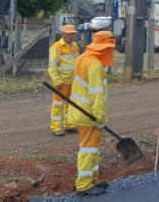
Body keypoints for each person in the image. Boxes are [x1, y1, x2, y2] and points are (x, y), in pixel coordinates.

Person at [67, 30, 115, 197]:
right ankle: (84, 185)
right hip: (90, 116)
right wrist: (100, 117)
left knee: (93, 149)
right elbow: (96, 94)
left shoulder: (82, 58)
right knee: (88, 150)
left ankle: (93, 180)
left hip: (82, 112)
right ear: (103, 48)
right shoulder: (94, 66)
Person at [48, 24, 80, 136]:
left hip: (73, 82)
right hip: (61, 82)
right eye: (69, 34)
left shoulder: (75, 46)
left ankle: (69, 125)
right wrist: (57, 81)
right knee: (57, 105)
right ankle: (56, 128)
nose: (71, 36)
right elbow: (52, 66)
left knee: (70, 105)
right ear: (63, 34)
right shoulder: (57, 47)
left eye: (73, 34)